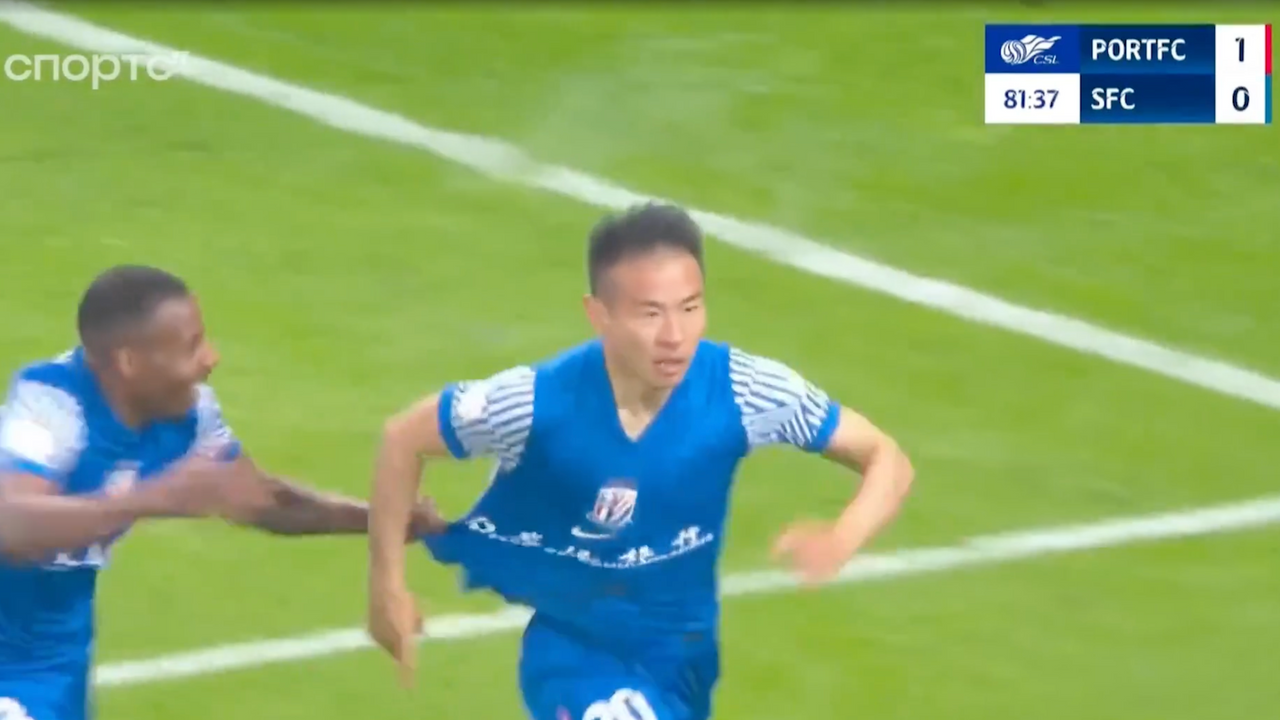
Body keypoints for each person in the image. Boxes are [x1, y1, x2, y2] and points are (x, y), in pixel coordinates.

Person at [367, 203, 915, 720]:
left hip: (683, 658)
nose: (675, 336)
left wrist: (841, 538)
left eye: (690, 308)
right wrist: (385, 588)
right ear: (599, 315)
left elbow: (885, 458)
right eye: (651, 314)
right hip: (574, 652)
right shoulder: (534, 403)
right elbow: (403, 438)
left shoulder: (745, 390)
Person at [0, 265, 443, 720]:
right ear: (130, 361)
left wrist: (382, 518)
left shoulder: (190, 416)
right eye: (191, 347)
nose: (211, 358)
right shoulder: (51, 403)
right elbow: (11, 525)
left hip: (53, 662)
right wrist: (156, 496)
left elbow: (262, 499)